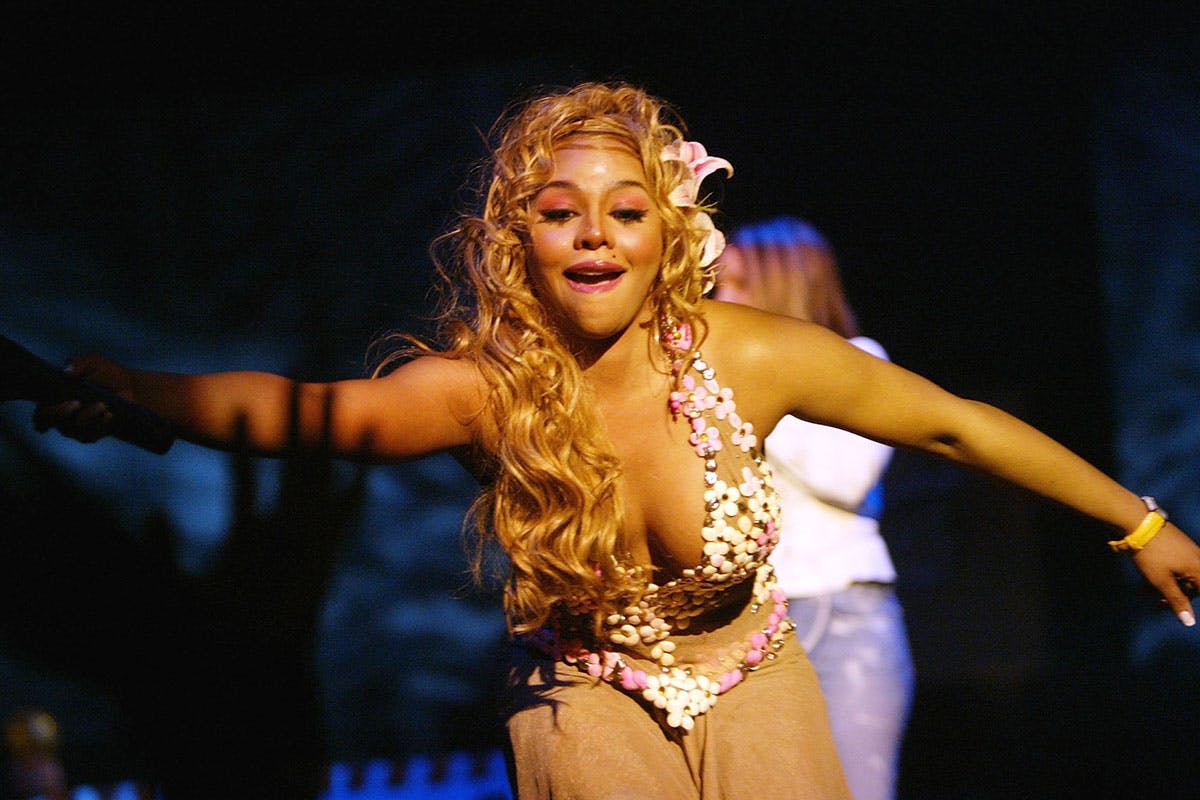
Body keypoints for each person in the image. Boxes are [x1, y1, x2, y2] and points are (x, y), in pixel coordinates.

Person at [29, 82, 1200, 800]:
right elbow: (306, 413)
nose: (595, 233)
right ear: (520, 239)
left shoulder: (751, 353)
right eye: (561, 212)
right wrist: (139, 393)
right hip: (580, 695)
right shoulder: (485, 391)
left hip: (758, 679)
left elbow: (955, 421)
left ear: (666, 232)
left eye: (626, 210)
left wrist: (1140, 520)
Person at [714, 216, 911, 800]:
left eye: (739, 284)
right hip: (745, 618)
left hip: (843, 612)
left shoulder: (859, 358)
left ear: (786, 287)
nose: (721, 300)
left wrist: (757, 387)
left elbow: (843, 477)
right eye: (719, 284)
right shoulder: (708, 380)